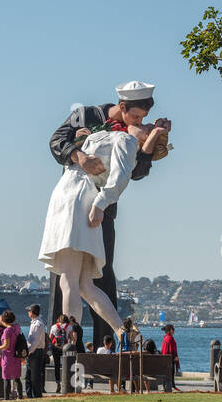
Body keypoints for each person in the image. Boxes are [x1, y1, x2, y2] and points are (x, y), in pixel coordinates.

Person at [47, 81, 172, 348]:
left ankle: (76, 343)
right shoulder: (87, 116)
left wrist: (150, 140)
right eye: (136, 116)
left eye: (143, 120)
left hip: (86, 203)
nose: (138, 122)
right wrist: (80, 156)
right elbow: (57, 142)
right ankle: (103, 337)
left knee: (84, 278)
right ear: (122, 107)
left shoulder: (126, 136)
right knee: (83, 282)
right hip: (84, 201)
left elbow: (133, 173)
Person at [0, 310, 23, 400]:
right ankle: (20, 396)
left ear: (4, 320)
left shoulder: (7, 331)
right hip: (16, 356)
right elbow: (9, 325)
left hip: (8, 357)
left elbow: (6, 345)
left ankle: (6, 398)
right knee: (17, 378)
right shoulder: (17, 327)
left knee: (7, 378)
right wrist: (1, 322)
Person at [25, 304, 48, 397]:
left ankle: (36, 395)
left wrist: (28, 352)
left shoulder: (37, 324)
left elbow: (35, 342)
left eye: (29, 311)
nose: (28, 313)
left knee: (34, 375)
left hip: (35, 352)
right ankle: (30, 394)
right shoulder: (36, 323)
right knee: (30, 375)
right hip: (35, 351)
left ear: (32, 313)